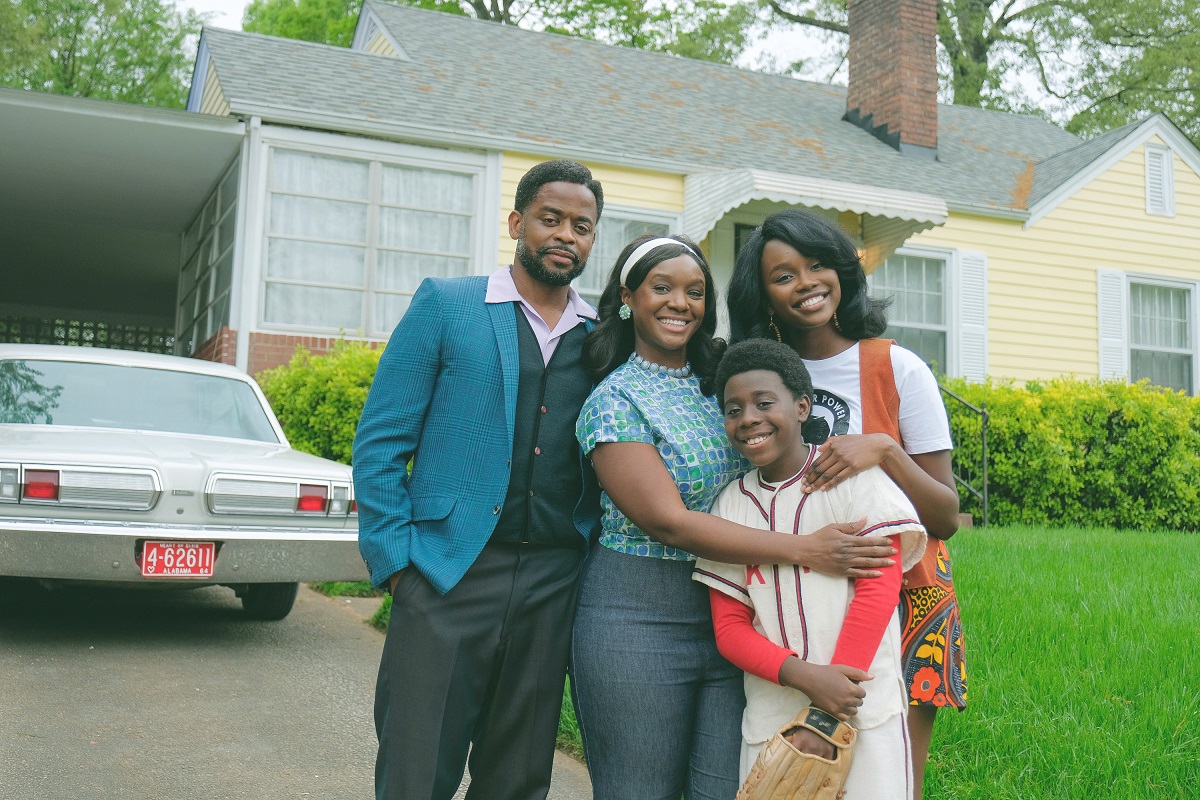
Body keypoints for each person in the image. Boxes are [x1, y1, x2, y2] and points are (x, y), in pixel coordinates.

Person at [572, 234, 898, 800]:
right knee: (638, 789)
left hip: (745, 614)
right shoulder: (613, 399)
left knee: (730, 786)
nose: (680, 302)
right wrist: (806, 550)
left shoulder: (721, 381)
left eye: (695, 292)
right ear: (628, 297)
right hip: (638, 614)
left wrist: (878, 445)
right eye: (662, 288)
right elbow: (669, 522)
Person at [353, 159, 605, 800]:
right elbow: (380, 443)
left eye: (582, 226)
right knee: (416, 772)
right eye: (551, 219)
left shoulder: (604, 337)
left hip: (553, 579)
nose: (565, 235)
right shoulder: (448, 303)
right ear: (518, 222)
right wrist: (397, 565)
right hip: (447, 571)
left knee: (518, 777)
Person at [727, 208, 967, 799]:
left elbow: (943, 516)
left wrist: (884, 449)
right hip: (791, 598)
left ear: (841, 269)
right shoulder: (753, 378)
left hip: (901, 588)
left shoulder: (896, 367)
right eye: (783, 275)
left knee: (888, 775)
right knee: (793, 775)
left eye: (817, 264)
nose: (806, 282)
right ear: (762, 293)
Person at [694, 339, 927, 799]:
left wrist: (828, 711)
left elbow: (879, 590)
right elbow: (730, 629)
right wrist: (805, 678)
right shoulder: (730, 505)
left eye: (764, 403)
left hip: (862, 713)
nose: (748, 419)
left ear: (802, 406)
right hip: (773, 718)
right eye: (732, 409)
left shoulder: (854, 478)